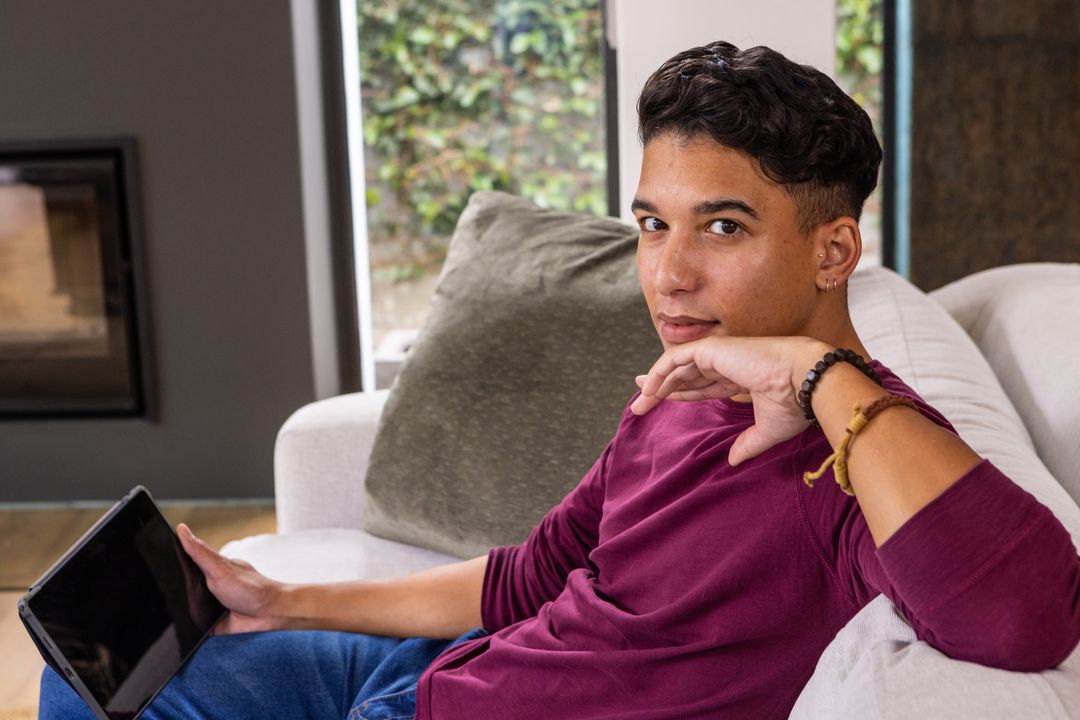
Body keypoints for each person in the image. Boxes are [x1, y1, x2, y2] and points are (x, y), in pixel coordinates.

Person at [40, 41, 1080, 720]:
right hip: (434, 673)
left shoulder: (868, 458)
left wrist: (821, 372)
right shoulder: (682, 392)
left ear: (832, 250)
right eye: (651, 225)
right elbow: (528, 578)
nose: (668, 274)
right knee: (85, 671)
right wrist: (288, 597)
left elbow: (1027, 618)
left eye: (723, 227)